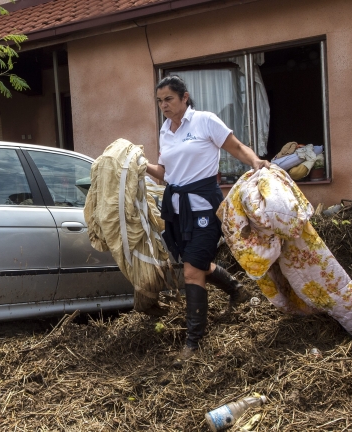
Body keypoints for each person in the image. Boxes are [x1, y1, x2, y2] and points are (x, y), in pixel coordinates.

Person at [144, 75, 271, 365]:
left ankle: (193, 342)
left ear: (184, 98)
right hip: (177, 209)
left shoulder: (204, 121)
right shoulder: (166, 131)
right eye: (160, 100)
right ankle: (237, 290)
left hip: (203, 206)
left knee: (191, 271)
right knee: (195, 261)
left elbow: (236, 147)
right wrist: (141, 165)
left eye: (169, 99)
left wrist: (255, 162)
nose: (164, 105)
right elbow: (166, 173)